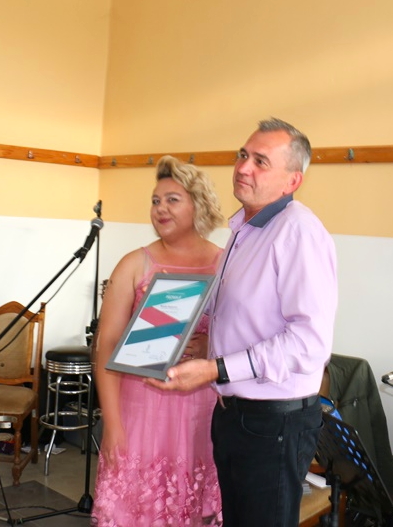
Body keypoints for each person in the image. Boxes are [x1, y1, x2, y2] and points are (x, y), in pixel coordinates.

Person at [146, 118, 338, 526]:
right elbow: (239, 313)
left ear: (292, 181)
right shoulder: (243, 228)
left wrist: (215, 367)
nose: (243, 167)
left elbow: (309, 342)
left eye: (261, 161)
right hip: (234, 414)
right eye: (243, 155)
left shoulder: (298, 232)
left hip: (274, 423)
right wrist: (187, 332)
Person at [92, 155, 224, 527]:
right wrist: (112, 423)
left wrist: (209, 346)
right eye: (155, 201)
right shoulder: (135, 264)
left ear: (198, 205)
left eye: (172, 200)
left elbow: (242, 335)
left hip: (202, 411)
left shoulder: (224, 264)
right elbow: (105, 345)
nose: (160, 208)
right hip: (140, 410)